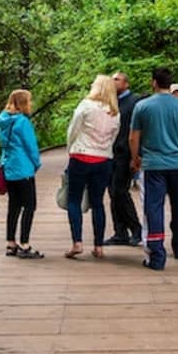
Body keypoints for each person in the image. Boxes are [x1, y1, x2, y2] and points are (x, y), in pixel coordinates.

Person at [130, 68, 178, 270]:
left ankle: (157, 256)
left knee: (153, 208)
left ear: (154, 83)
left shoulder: (143, 106)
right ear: (170, 83)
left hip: (153, 165)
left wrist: (135, 158)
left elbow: (133, 137)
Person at [64, 74, 120, 259]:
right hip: (103, 160)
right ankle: (98, 246)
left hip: (81, 156)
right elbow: (114, 136)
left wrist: (70, 148)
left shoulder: (86, 105)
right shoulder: (115, 112)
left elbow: (73, 129)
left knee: (74, 199)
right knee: (98, 203)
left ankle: (77, 242)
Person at [0, 89, 43, 259]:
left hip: (9, 167)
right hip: (24, 168)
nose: (31, 104)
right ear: (23, 103)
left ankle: (10, 242)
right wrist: (36, 163)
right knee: (30, 205)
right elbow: (31, 146)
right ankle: (24, 244)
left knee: (14, 206)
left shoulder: (3, 121)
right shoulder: (23, 122)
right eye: (29, 101)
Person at [104, 72, 142, 246]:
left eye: (117, 79)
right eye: (112, 79)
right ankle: (120, 233)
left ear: (126, 84)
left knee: (120, 191)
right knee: (112, 192)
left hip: (125, 153)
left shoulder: (134, 102)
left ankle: (136, 229)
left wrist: (137, 155)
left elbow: (139, 129)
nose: (113, 82)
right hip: (109, 153)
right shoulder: (110, 102)